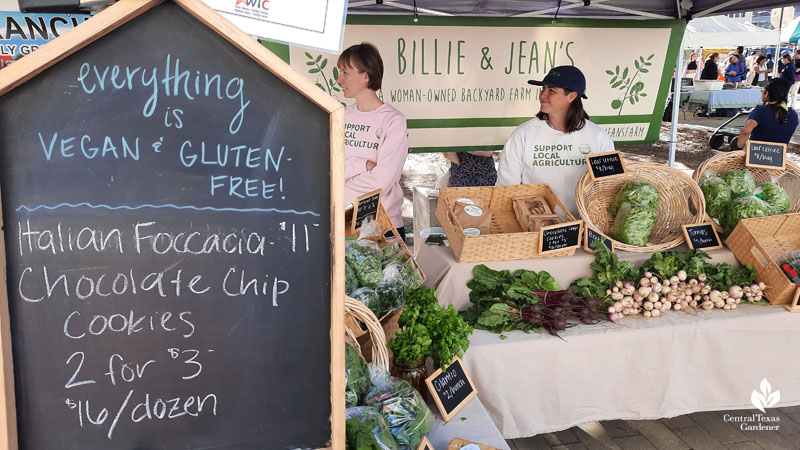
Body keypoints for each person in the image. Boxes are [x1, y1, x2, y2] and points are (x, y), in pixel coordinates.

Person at [496, 66, 614, 218]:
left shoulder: (598, 136)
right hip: (535, 227)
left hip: (584, 228)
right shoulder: (523, 134)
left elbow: (609, 186)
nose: (542, 95)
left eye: (551, 90)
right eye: (543, 89)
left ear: (571, 96)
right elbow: (506, 186)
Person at [337, 42, 409, 240]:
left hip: (383, 227)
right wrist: (364, 166)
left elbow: (382, 181)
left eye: (345, 72)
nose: (339, 79)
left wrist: (338, 187)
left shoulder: (393, 120)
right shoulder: (340, 116)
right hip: (343, 225)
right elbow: (326, 166)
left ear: (366, 75)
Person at [735, 77, 798, 148]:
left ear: (766, 94)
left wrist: (739, 147)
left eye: (762, 90)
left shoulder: (760, 111)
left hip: (756, 155)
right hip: (779, 157)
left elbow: (745, 132)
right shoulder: (793, 115)